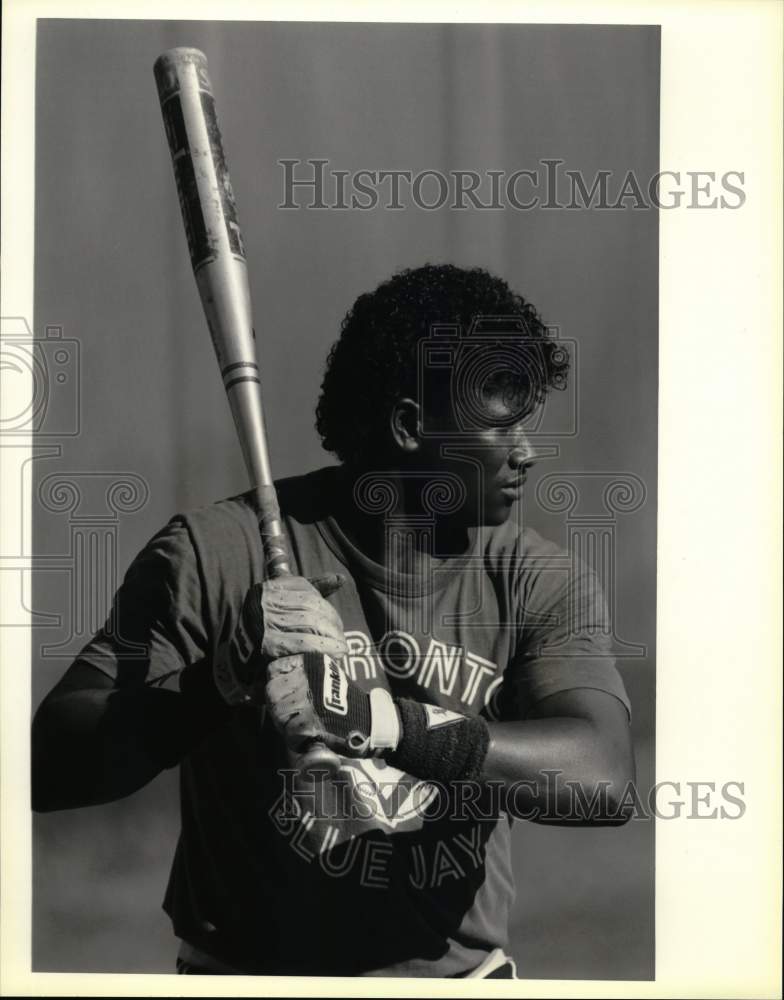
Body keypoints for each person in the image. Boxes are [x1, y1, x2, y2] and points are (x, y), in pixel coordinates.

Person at [32, 263, 635, 979]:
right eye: (502, 428)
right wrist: (213, 684)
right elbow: (46, 768)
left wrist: (384, 724)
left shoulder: (537, 579)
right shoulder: (214, 554)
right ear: (411, 427)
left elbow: (602, 779)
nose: (527, 453)